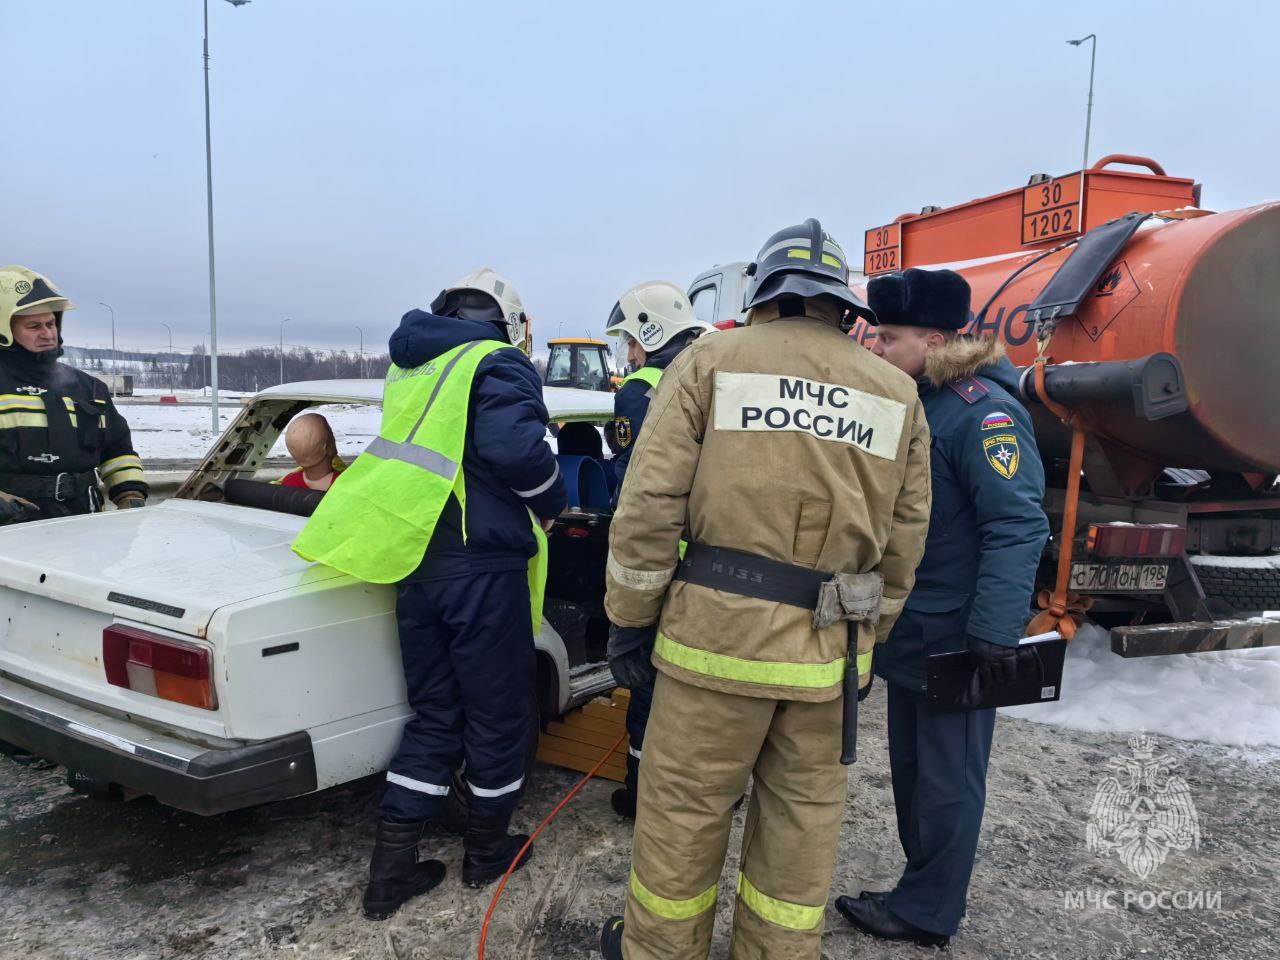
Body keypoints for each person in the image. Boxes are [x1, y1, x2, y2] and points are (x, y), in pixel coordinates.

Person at [597, 219, 932, 960]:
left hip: (709, 651)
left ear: (765, 293)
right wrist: (864, 648)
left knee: (681, 826)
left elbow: (649, 505)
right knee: (798, 843)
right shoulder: (896, 392)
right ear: (843, 306)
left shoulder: (711, 361)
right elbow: (905, 546)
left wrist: (629, 619)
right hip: (824, 665)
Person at [292, 267, 566, 920]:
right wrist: (554, 500)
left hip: (417, 561)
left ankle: (390, 872)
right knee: (498, 717)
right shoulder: (497, 361)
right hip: (482, 566)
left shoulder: (412, 366)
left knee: (436, 715)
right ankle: (487, 852)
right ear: (509, 323)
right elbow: (515, 449)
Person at [834, 268, 1049, 948]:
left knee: (947, 781)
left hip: (957, 635)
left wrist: (992, 632)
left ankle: (927, 912)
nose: (878, 349)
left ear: (933, 338)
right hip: (914, 630)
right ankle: (919, 887)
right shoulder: (924, 402)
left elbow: (1017, 525)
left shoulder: (983, 411)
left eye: (890, 338)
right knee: (914, 774)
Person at [601, 280, 712, 821]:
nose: (629, 353)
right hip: (717, 560)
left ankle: (642, 793)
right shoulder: (716, 370)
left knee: (649, 681)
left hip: (663, 559)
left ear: (650, 332)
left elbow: (634, 492)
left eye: (632, 340)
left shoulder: (639, 390)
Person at [0, 266, 147, 522]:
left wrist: (130, 494)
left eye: (51, 323)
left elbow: (118, 450)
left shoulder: (89, 389)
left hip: (83, 529)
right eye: (34, 326)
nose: (48, 334)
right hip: (12, 534)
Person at [279, 413, 345, 491]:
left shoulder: (288, 482)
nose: (333, 437)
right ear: (325, 447)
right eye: (330, 433)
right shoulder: (345, 483)